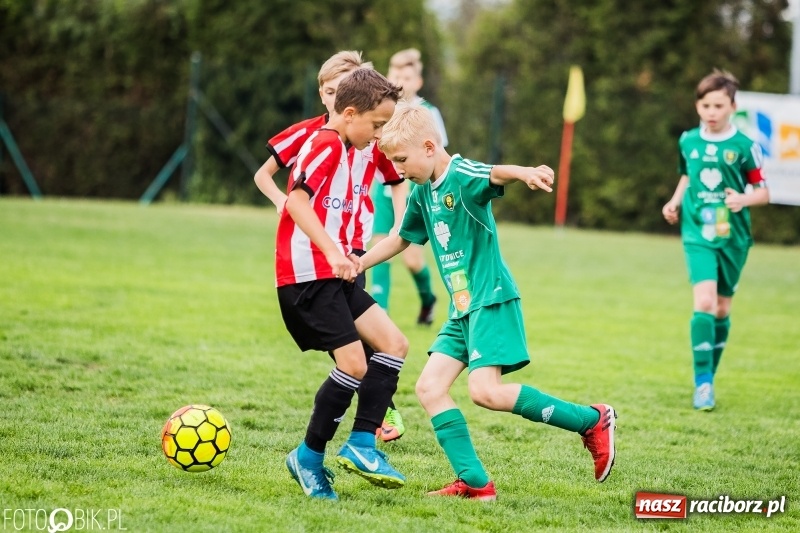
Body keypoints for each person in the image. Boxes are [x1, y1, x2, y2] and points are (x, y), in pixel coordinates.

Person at [359, 103, 617, 500]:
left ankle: (591, 420)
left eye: (402, 159)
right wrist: (356, 262)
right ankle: (477, 483)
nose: (398, 169)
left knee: (486, 392)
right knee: (429, 388)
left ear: (429, 147)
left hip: (490, 299)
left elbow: (494, 172)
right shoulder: (421, 191)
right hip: (462, 309)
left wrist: (526, 173)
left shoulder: (460, 174)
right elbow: (399, 238)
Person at [254, 51, 410, 443]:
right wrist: (283, 202)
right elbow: (288, 191)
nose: (332, 96)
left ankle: (369, 428)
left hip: (351, 256)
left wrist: (400, 217)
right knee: (355, 355)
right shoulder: (318, 139)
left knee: (381, 345)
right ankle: (342, 438)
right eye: (328, 90)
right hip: (318, 263)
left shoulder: (366, 141)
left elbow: (397, 177)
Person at [662, 69, 769, 411]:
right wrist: (675, 201)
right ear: (698, 106)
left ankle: (709, 374)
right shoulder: (688, 141)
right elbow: (686, 176)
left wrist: (742, 199)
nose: (711, 111)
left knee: (722, 308)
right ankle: (703, 382)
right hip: (697, 233)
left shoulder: (744, 146)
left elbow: (763, 191)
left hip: (733, 236)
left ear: (732, 107)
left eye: (718, 105)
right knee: (705, 301)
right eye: (705, 104)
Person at [369, 48, 446, 326]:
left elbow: (437, 156)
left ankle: (428, 300)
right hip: (385, 194)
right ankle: (380, 318)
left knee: (412, 260)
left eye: (407, 77)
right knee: (380, 252)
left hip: (415, 194)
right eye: (396, 75)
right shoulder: (383, 112)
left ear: (418, 82)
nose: (401, 81)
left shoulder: (428, 113)